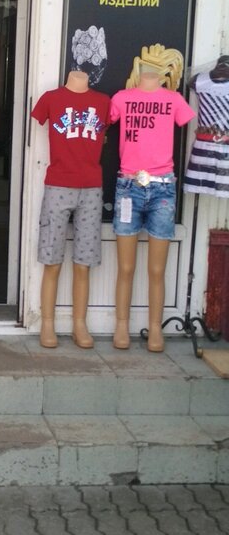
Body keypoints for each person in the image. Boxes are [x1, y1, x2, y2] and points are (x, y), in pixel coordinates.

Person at [110, 63, 195, 352]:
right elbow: (108, 121)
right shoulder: (122, 98)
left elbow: (187, 120)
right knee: (125, 267)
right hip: (128, 186)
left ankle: (155, 327)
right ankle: (121, 325)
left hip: (162, 189)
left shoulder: (173, 100)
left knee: (157, 269)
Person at [31, 70, 110, 348]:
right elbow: (38, 118)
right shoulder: (50, 99)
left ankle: (80, 324)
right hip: (58, 185)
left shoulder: (104, 102)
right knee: (52, 261)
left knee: (83, 264)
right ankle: (47, 323)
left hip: (91, 187)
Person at [184, 55, 229, 197]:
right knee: (199, 181)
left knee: (223, 184)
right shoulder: (199, 80)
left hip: (225, 146)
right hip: (203, 144)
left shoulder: (198, 80)